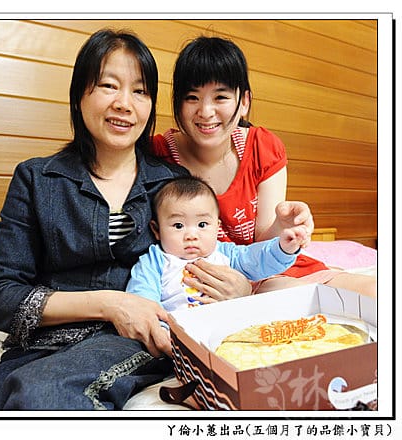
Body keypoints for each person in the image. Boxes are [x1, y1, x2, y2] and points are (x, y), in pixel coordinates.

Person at [0, 29, 189, 411]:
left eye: (139, 91)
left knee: (42, 394)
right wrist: (108, 303)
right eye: (108, 85)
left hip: (134, 341)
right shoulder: (37, 179)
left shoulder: (171, 186)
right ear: (79, 94)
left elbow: (204, 258)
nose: (124, 104)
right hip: (41, 346)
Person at [151, 36, 376, 298]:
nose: (206, 111)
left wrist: (283, 224)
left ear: (244, 101)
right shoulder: (157, 154)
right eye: (192, 97)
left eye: (221, 97)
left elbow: (267, 245)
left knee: (374, 293)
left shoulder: (262, 147)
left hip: (269, 270)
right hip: (199, 283)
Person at [126, 176, 306, 312]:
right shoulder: (154, 262)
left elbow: (257, 259)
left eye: (202, 225)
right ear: (156, 230)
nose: (191, 235)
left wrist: (283, 248)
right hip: (177, 336)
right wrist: (162, 330)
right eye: (178, 226)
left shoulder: (226, 253)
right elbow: (143, 300)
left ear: (217, 227)